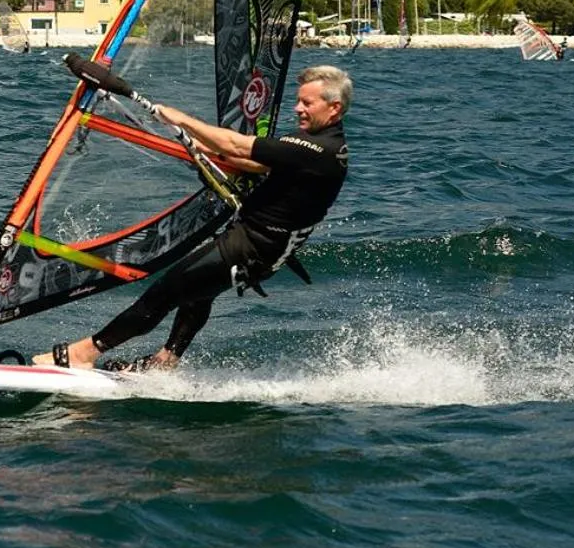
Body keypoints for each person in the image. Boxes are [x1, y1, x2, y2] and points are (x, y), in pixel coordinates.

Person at [36, 64, 352, 371]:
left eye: (307, 103)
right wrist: (199, 147)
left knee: (166, 293)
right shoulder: (326, 148)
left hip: (252, 247)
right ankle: (167, 360)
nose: (298, 108)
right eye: (298, 101)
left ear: (334, 108)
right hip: (262, 247)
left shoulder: (315, 149)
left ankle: (86, 352)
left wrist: (181, 119)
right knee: (198, 293)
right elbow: (256, 160)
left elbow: (235, 143)